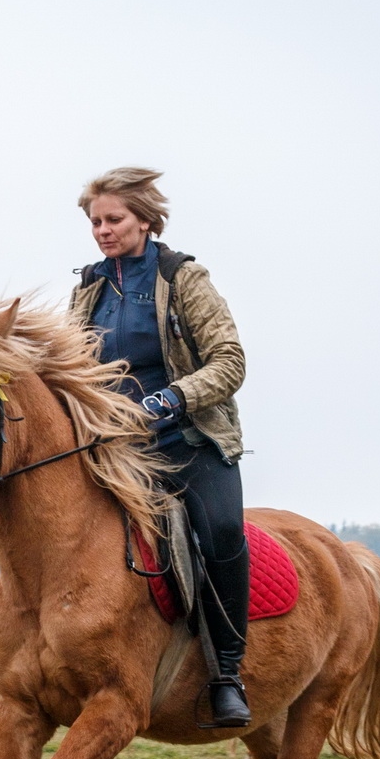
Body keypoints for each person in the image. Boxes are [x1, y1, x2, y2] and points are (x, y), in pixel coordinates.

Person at [75, 167, 251, 727]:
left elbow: (231, 362)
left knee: (221, 533)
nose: (103, 230)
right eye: (95, 221)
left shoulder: (184, 278)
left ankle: (227, 672)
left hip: (189, 442)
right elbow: (70, 370)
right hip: (119, 451)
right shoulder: (89, 288)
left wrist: (170, 400)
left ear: (146, 220)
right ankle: (32, 667)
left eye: (114, 219)